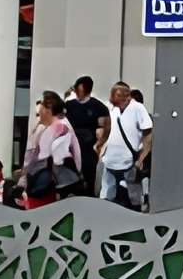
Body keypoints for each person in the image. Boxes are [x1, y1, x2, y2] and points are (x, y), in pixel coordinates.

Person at [20, 92, 81, 204]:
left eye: (41, 110)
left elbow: (47, 157)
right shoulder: (54, 126)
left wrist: (25, 177)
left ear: (48, 110)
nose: (39, 115)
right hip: (62, 181)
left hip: (60, 183)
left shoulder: (58, 127)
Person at [99, 81, 152, 209]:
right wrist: (101, 148)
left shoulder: (137, 108)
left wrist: (142, 157)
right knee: (107, 197)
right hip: (110, 160)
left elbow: (148, 134)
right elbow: (106, 128)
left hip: (129, 162)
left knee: (133, 199)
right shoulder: (112, 109)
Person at [62, 75, 110, 198]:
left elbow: (105, 126)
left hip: (88, 150)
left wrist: (99, 144)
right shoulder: (69, 105)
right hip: (71, 150)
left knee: (88, 180)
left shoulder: (98, 107)